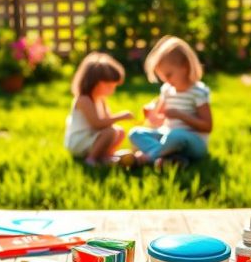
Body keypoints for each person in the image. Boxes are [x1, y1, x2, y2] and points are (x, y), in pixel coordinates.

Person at [129, 35, 212, 169]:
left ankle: (148, 157)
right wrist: (151, 113)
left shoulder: (198, 92)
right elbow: (159, 120)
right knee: (135, 133)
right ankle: (171, 158)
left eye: (169, 75)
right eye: (162, 78)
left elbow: (207, 126)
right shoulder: (167, 90)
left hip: (194, 142)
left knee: (175, 136)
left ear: (185, 66)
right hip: (167, 136)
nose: (166, 81)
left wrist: (180, 115)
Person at [65, 52, 133, 166]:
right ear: (95, 83)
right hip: (78, 141)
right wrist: (120, 116)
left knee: (119, 131)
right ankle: (91, 160)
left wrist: (115, 123)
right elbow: (97, 124)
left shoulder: (100, 99)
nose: (113, 90)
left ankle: (105, 155)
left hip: (90, 137)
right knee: (110, 132)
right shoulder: (84, 100)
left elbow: (107, 121)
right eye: (110, 86)